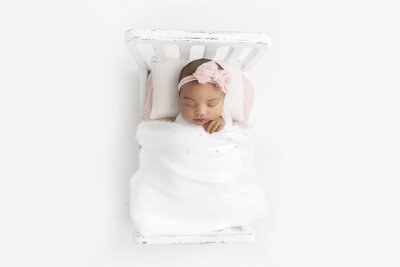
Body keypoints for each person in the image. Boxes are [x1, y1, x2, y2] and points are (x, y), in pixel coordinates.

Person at [175, 58, 233, 133]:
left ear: (223, 99)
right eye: (189, 104)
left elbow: (233, 132)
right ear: (179, 98)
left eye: (211, 104)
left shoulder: (224, 115)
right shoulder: (181, 122)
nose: (201, 112)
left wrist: (223, 124)